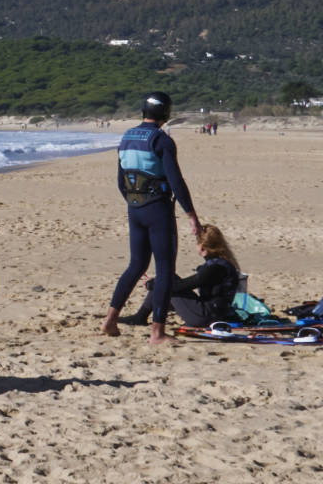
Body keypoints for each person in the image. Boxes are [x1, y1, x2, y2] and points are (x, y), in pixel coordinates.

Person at [102, 91, 202, 344]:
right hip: (158, 209)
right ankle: (157, 333)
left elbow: (120, 181)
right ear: (166, 113)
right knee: (166, 269)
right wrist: (192, 216)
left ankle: (110, 320)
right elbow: (176, 181)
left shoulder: (126, 138)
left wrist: (135, 203)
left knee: (136, 265)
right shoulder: (162, 141)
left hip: (135, 209)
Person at [169, 225, 241, 329]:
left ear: (202, 247)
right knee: (167, 279)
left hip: (207, 316)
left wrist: (156, 284)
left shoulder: (215, 268)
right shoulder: (221, 264)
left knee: (164, 282)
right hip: (214, 313)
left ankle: (141, 317)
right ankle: (146, 315)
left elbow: (186, 285)